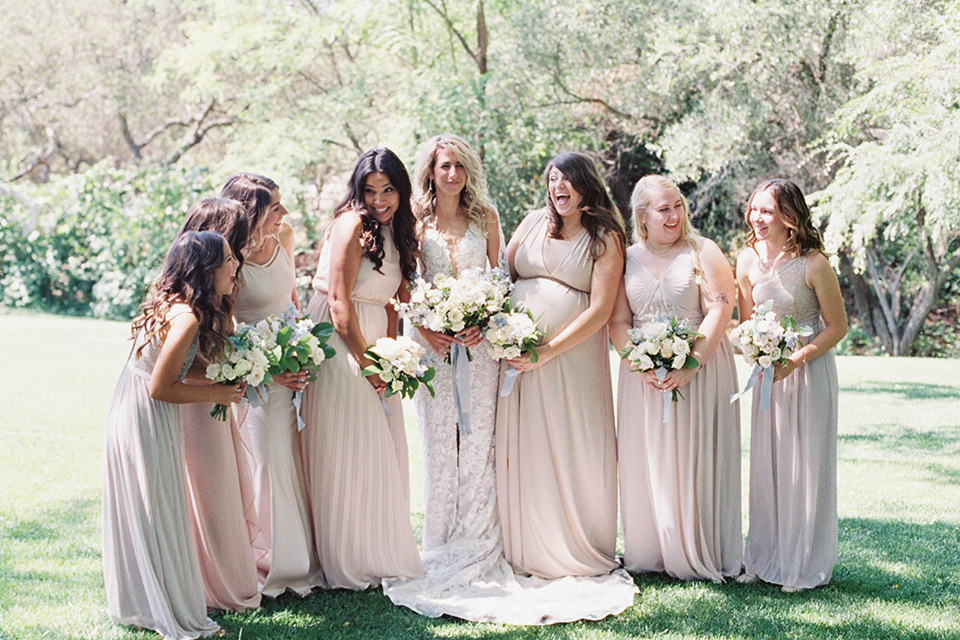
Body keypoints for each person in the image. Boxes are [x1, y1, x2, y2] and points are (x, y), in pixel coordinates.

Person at [382, 133, 511, 618]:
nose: (452, 173)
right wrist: (425, 327)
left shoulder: (487, 217)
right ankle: (438, 538)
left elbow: (500, 278)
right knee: (440, 441)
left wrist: (484, 319)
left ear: (467, 169)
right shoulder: (414, 220)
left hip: (480, 348)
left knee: (478, 439)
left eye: (458, 165)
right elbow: (405, 282)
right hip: (433, 347)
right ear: (430, 172)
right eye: (443, 166)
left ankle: (478, 537)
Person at [102, 230, 246, 639]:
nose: (235, 267)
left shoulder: (178, 306)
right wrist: (217, 392)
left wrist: (221, 375)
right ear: (207, 269)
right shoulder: (186, 318)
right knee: (158, 505)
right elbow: (160, 386)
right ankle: (165, 607)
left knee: (155, 505)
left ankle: (146, 599)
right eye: (228, 262)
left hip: (133, 409)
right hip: (146, 412)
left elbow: (179, 366)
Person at [495, 152, 627, 580]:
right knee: (526, 444)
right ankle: (526, 545)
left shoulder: (604, 236)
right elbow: (504, 276)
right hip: (518, 356)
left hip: (571, 358)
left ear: (586, 185)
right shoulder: (533, 221)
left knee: (573, 442)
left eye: (568, 180)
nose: (559, 188)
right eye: (553, 180)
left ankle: (574, 544)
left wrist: (547, 350)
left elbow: (602, 308)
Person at [300, 148, 424, 589]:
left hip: (373, 341)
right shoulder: (352, 225)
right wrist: (366, 363)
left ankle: (376, 549)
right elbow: (337, 304)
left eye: (388, 190)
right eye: (370, 191)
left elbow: (394, 302)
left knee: (381, 446)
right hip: (341, 342)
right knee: (348, 443)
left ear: (401, 190)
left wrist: (390, 355)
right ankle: (347, 557)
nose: (379, 200)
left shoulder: (399, 231)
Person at [609, 175, 742, 582]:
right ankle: (652, 548)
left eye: (678, 206)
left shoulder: (703, 251)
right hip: (642, 376)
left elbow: (721, 308)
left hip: (700, 368)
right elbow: (618, 320)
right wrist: (638, 363)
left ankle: (699, 545)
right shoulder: (626, 256)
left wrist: (691, 364)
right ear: (643, 216)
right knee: (648, 455)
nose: (674, 215)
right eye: (663, 209)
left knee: (696, 453)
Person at [735, 178, 847, 592]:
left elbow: (837, 328)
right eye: (754, 209)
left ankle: (802, 563)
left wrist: (793, 361)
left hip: (809, 373)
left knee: (804, 466)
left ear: (789, 216)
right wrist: (759, 353)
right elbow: (747, 321)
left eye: (766, 210)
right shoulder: (745, 259)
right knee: (766, 465)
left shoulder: (814, 263)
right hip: (769, 374)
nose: (757, 218)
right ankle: (763, 559)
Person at [223, 172, 324, 597]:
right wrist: (265, 369)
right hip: (254, 376)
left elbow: (292, 301)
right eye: (274, 207)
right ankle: (272, 567)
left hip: (293, 364)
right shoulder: (228, 256)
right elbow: (223, 328)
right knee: (265, 464)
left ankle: (304, 559)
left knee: (294, 460)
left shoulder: (283, 235)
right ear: (251, 213)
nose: (283, 214)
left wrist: (301, 346)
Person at [177, 197, 263, 612]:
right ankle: (210, 585)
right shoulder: (188, 301)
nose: (239, 255)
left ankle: (227, 578)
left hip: (215, 398)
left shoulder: (221, 287)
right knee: (207, 493)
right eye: (233, 245)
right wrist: (221, 379)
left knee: (224, 489)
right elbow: (171, 370)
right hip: (195, 404)